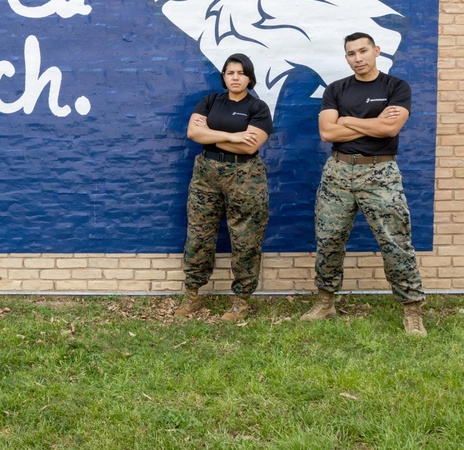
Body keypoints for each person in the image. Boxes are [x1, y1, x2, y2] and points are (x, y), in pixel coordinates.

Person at [301, 32, 427, 336]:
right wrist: (372, 125)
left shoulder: (396, 87)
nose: (357, 58)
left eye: (363, 51)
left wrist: (346, 121)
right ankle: (325, 301)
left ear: (376, 51)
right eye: (351, 54)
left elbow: (390, 127)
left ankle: (412, 310)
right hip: (338, 172)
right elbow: (327, 133)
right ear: (346, 57)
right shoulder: (336, 89)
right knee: (329, 240)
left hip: (380, 173)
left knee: (395, 241)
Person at [174, 53, 273, 322]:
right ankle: (192, 293)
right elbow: (194, 134)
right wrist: (232, 135)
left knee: (246, 237)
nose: (235, 77)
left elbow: (250, 145)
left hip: (245, 175)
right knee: (199, 233)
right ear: (224, 77)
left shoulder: (258, 108)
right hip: (206, 174)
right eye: (230, 72)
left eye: (241, 73)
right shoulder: (210, 101)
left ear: (249, 77)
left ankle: (241, 300)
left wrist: (212, 137)